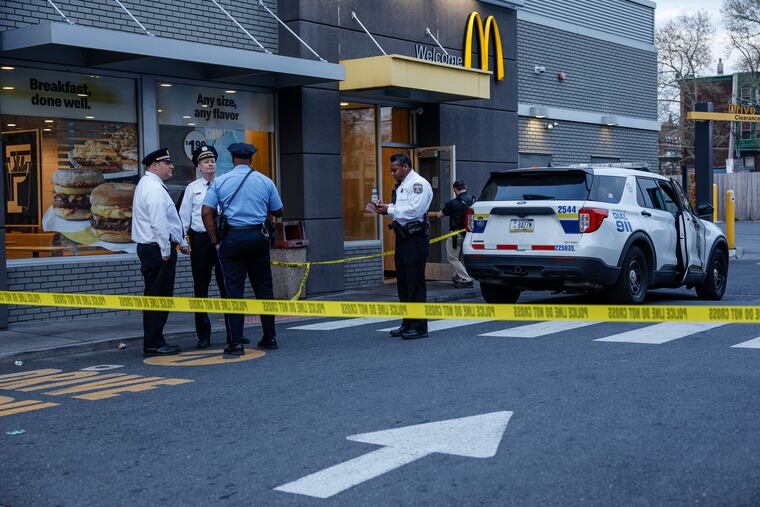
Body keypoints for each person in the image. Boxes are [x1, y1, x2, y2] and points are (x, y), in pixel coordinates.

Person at [201, 143, 283, 356]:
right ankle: (269, 337)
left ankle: (236, 343)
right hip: (257, 238)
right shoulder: (265, 181)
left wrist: (214, 241)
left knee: (233, 291)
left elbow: (206, 212)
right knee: (264, 289)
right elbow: (278, 211)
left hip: (232, 239)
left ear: (233, 158)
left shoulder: (220, 181)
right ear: (251, 159)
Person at [132, 148, 189, 357]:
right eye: (167, 163)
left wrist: (181, 242)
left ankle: (156, 340)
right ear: (154, 166)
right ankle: (154, 343)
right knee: (158, 297)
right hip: (157, 249)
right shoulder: (153, 189)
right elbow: (159, 224)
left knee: (157, 297)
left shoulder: (151, 185)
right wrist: (166, 250)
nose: (171, 165)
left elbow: (169, 221)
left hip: (155, 248)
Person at [179, 145, 235, 349]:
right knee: (200, 288)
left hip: (222, 240)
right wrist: (183, 241)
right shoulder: (192, 188)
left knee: (227, 286)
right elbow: (184, 217)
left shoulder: (224, 184)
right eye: (205, 161)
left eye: (212, 160)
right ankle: (203, 335)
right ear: (198, 167)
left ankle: (233, 332)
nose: (210, 163)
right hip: (201, 241)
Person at [375, 153, 433, 340]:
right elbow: (403, 208)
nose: (392, 173)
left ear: (405, 166)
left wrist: (389, 210)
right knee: (404, 283)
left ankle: (419, 326)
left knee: (415, 282)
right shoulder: (402, 186)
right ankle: (407, 322)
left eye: (395, 169)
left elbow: (415, 210)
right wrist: (387, 207)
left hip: (415, 237)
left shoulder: (418, 184)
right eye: (391, 170)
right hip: (403, 237)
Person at [430, 180, 476, 288]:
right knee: (459, 257)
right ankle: (458, 277)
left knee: (452, 257)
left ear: (455, 189)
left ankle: (466, 278)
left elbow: (439, 215)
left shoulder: (453, 203)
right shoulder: (473, 199)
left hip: (456, 234)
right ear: (466, 187)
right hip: (469, 234)